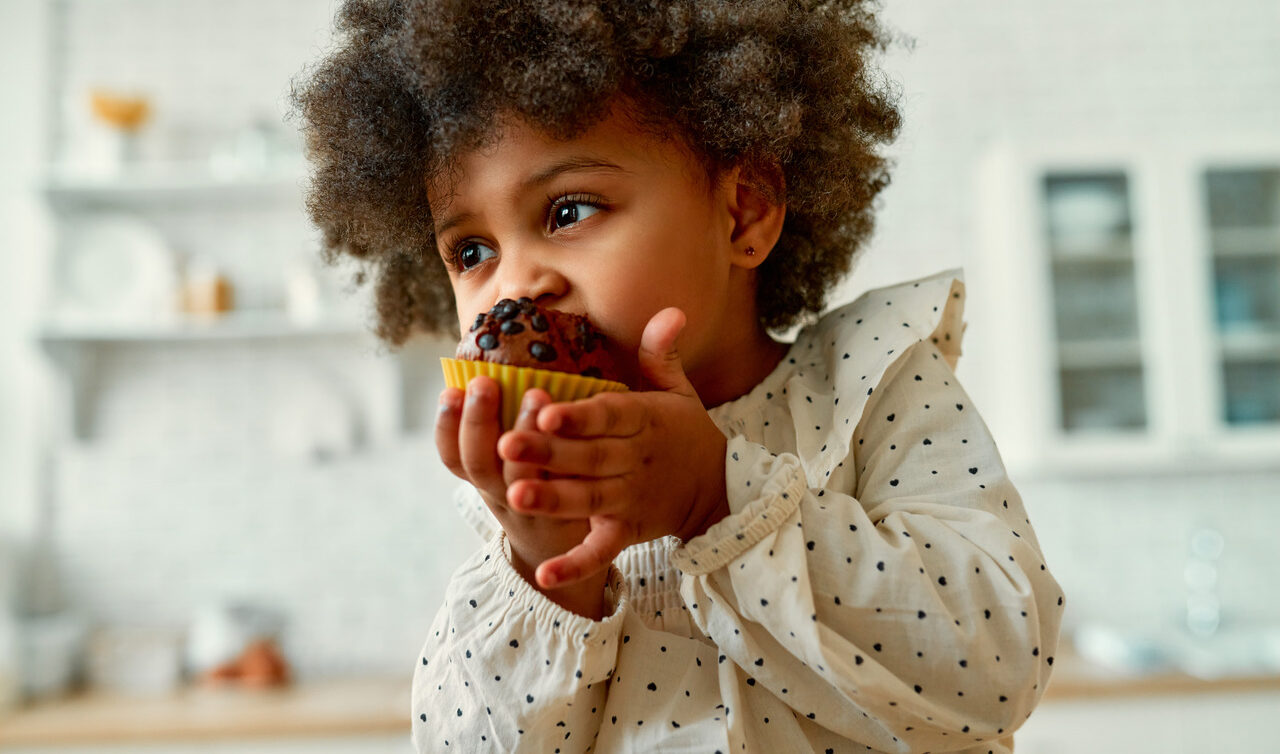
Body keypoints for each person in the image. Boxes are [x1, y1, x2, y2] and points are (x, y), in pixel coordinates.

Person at [292, 1, 1064, 751]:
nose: (516, 285)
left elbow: (997, 668)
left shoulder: (875, 383)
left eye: (567, 212)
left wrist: (712, 495)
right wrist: (544, 574)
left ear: (744, 212)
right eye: (470, 251)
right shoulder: (532, 490)